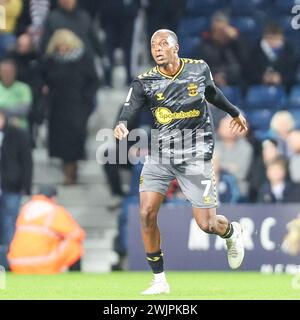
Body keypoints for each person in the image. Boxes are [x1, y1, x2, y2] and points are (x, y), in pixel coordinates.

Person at [114, 29, 248, 295]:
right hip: (161, 154)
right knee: (146, 213)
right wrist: (121, 123)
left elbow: (212, 93)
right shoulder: (145, 81)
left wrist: (234, 111)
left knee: (207, 225)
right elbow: (130, 107)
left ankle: (231, 232)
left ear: (177, 47)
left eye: (163, 43)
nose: (157, 48)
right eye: (153, 44)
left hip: (196, 153)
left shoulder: (198, 69)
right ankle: (159, 280)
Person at [42, 29, 99, 184]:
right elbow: (43, 78)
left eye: (64, 45)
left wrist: (86, 101)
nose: (61, 49)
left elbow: (93, 81)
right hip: (57, 108)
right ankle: (67, 171)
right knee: (60, 143)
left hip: (77, 107)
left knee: (74, 141)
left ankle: (71, 173)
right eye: (58, 46)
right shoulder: (51, 61)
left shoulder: (83, 59)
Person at [7, 185, 85, 273]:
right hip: (42, 264)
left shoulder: (26, 208)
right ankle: (75, 276)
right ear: (53, 198)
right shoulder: (54, 210)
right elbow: (77, 234)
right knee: (74, 246)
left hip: (17, 264)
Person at [0, 110, 32, 268]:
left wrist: (26, 186)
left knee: (9, 224)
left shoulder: (17, 134)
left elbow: (26, 161)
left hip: (10, 187)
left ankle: (9, 262)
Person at [0, 58, 33, 129]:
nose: (6, 75)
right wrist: (9, 118)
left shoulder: (24, 88)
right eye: (4, 72)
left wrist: (2, 109)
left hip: (19, 128)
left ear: (15, 72)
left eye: (9, 72)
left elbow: (24, 110)